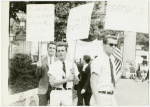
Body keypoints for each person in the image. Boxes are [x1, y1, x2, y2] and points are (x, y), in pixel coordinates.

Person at [90, 34, 123, 106]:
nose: (113, 47)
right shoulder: (98, 60)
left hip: (111, 96)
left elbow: (112, 81)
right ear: (103, 45)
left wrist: (121, 72)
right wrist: (98, 102)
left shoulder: (111, 61)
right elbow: (93, 82)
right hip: (100, 95)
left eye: (115, 45)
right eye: (111, 44)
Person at [48, 42, 80, 106]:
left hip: (67, 92)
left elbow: (77, 82)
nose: (60, 52)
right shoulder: (53, 66)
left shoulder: (72, 65)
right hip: (56, 92)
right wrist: (67, 79)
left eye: (62, 50)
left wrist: (74, 75)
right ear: (56, 53)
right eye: (58, 51)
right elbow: (52, 83)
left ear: (66, 52)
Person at [35, 41, 58, 106]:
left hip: (55, 89)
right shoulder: (42, 60)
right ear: (47, 49)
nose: (52, 49)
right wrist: (38, 68)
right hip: (43, 89)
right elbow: (37, 76)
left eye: (53, 48)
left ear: (55, 50)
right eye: (50, 48)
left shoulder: (58, 61)